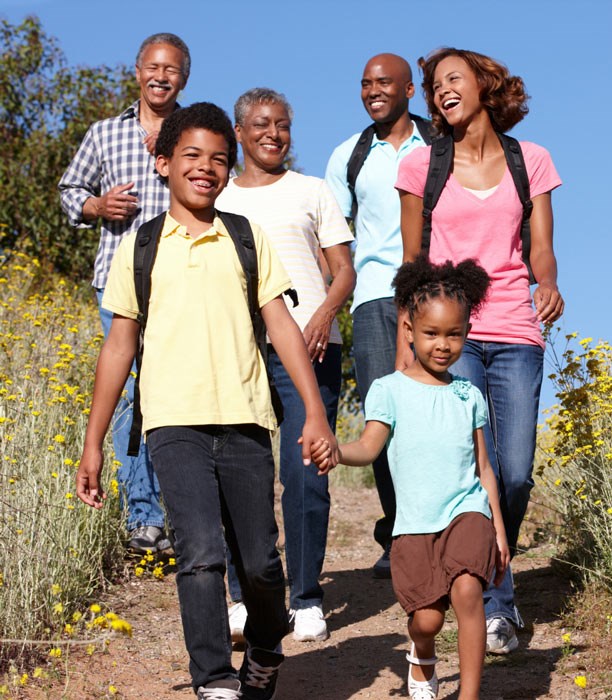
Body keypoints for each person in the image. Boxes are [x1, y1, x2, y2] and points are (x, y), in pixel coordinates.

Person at [76, 102, 340, 700]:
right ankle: (215, 681)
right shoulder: (140, 248)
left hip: (246, 421)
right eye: (192, 156)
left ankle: (267, 648)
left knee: (262, 565)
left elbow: (281, 327)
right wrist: (94, 444)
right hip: (172, 425)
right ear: (163, 162)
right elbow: (118, 349)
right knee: (198, 554)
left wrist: (316, 411)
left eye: (219, 159)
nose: (206, 168)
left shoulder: (246, 240)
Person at [396, 48, 564, 654]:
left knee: (515, 472)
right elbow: (412, 264)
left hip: (517, 328)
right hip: (450, 333)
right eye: (435, 85)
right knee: (475, 467)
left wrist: (547, 282)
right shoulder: (421, 166)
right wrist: (405, 348)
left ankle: (484, 572)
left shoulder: (532, 161)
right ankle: (496, 600)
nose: (441, 91)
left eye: (453, 79)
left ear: (485, 86)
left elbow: (540, 247)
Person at [311, 256, 508, 700]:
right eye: (432, 333)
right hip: (416, 524)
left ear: (466, 334)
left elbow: (484, 469)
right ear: (409, 332)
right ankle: (422, 651)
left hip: (466, 512)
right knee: (428, 620)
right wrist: (338, 452)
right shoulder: (390, 390)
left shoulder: (468, 395)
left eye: (454, 334)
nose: (443, 344)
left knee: (468, 591)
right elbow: (369, 447)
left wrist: (496, 525)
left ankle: (470, 695)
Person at [216, 87, 355, 643]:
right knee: (240, 476)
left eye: (283, 125)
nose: (274, 134)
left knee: (305, 472)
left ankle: (305, 598)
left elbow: (342, 269)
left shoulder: (313, 191)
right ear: (241, 133)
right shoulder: (219, 197)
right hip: (240, 351)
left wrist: (322, 314)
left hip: (314, 348)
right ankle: (243, 597)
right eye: (262, 125)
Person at [59, 32, 191, 553]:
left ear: (185, 76)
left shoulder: (194, 130)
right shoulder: (103, 134)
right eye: (153, 67)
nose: (161, 76)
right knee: (129, 393)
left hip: (184, 278)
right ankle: (144, 519)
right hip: (118, 279)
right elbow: (70, 192)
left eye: (172, 69)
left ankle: (184, 514)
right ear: (138, 71)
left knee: (179, 395)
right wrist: (97, 207)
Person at [325, 53, 432, 578]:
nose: (373, 91)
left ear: (409, 90)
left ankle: (446, 532)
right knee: (383, 417)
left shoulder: (442, 144)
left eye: (384, 82)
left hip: (438, 299)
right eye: (365, 83)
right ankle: (398, 533)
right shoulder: (349, 155)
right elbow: (329, 231)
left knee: (441, 413)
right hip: (372, 299)